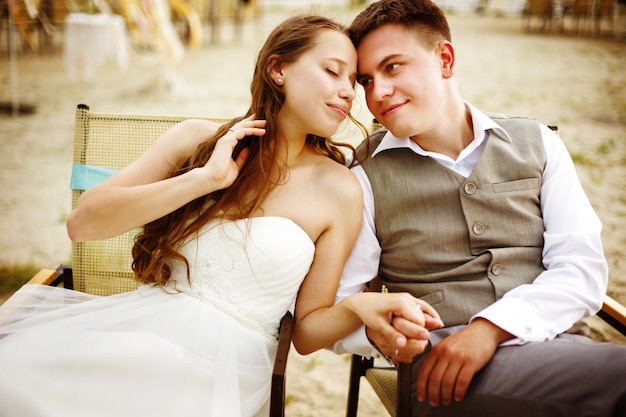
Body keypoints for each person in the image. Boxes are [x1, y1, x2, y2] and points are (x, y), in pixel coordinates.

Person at [0, 15, 434, 417]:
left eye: (353, 82)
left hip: (225, 371)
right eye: (332, 71)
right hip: (138, 332)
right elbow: (84, 223)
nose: (348, 92)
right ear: (278, 70)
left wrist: (358, 304)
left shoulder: (340, 190)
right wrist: (204, 181)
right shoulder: (196, 141)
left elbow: (306, 333)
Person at [332, 1, 626, 416]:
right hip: (445, 380)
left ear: (445, 60)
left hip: (562, 348)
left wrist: (490, 329)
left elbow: (582, 267)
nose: (376, 93)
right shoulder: (362, 175)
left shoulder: (538, 142)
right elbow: (342, 303)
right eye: (366, 79)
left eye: (393, 67)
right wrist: (386, 334)